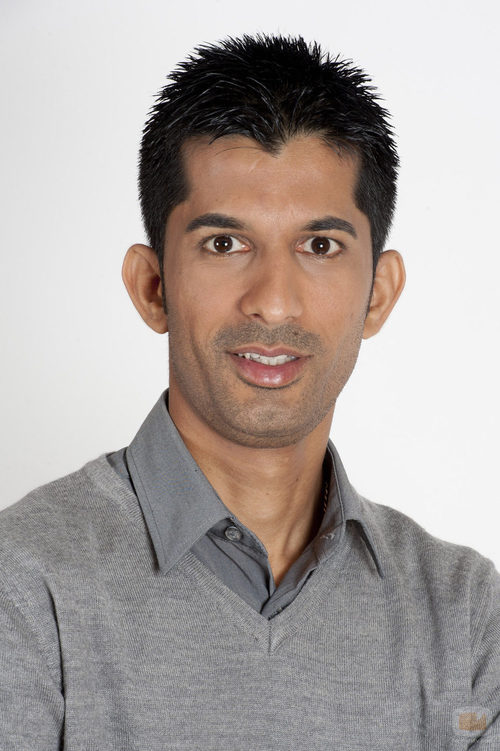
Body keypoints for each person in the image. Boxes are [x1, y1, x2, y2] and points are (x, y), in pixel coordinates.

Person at [1, 33, 498, 750]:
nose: (273, 302)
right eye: (224, 244)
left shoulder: (466, 614)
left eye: (320, 246)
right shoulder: (24, 585)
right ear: (152, 286)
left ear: (378, 294)